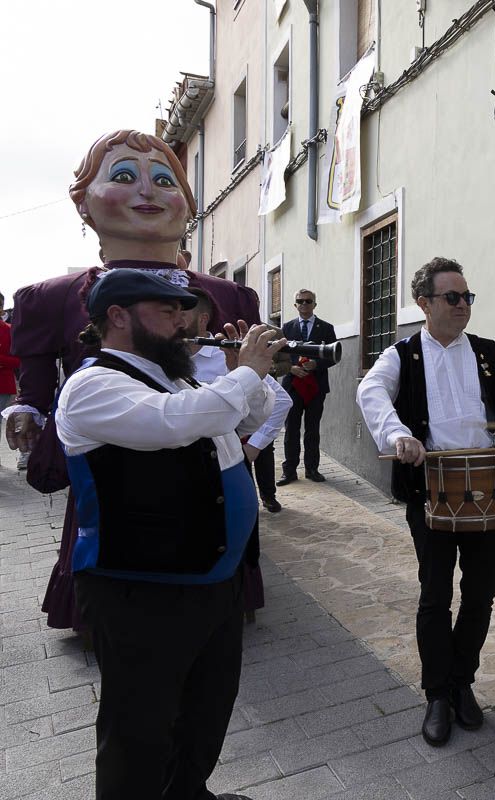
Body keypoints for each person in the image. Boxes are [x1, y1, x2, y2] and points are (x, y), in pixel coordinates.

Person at [1, 129, 261, 631]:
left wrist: (253, 394)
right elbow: (34, 388)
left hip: (207, 457)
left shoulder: (228, 295)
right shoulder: (54, 296)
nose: (147, 191)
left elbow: (237, 404)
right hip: (114, 456)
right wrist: (26, 413)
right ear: (85, 205)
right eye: (123, 176)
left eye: (165, 180)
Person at [56, 268, 281, 800]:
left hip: (210, 579)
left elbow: (243, 417)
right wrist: (243, 374)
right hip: (140, 588)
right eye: (167, 311)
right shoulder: (92, 385)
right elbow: (177, 423)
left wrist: (242, 375)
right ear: (117, 317)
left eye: (184, 311)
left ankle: (187, 792)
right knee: (138, 731)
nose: (183, 323)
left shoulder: (175, 376)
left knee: (206, 711)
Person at [357, 257, 495, 746]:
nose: (463, 306)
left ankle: (463, 683)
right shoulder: (403, 354)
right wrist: (397, 434)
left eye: (467, 298)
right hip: (433, 491)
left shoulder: (486, 351)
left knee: (481, 592)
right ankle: (437, 694)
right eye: (453, 297)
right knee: (435, 594)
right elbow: (370, 390)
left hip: (487, 489)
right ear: (424, 303)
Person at [185, 289, 292, 515]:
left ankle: (268, 495)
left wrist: (254, 444)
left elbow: (281, 400)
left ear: (202, 318)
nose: (171, 322)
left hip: (227, 462)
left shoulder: (223, 354)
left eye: (180, 314)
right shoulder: (167, 358)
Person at [277, 289, 337, 484]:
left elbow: (334, 355)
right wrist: (291, 368)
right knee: (291, 429)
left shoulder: (326, 328)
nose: (304, 304)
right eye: (300, 301)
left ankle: (312, 469)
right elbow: (278, 356)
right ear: (295, 305)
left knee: (312, 429)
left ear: (314, 304)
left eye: (308, 301)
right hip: (293, 385)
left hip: (315, 386)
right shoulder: (286, 328)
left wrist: (317, 364)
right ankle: (290, 471)